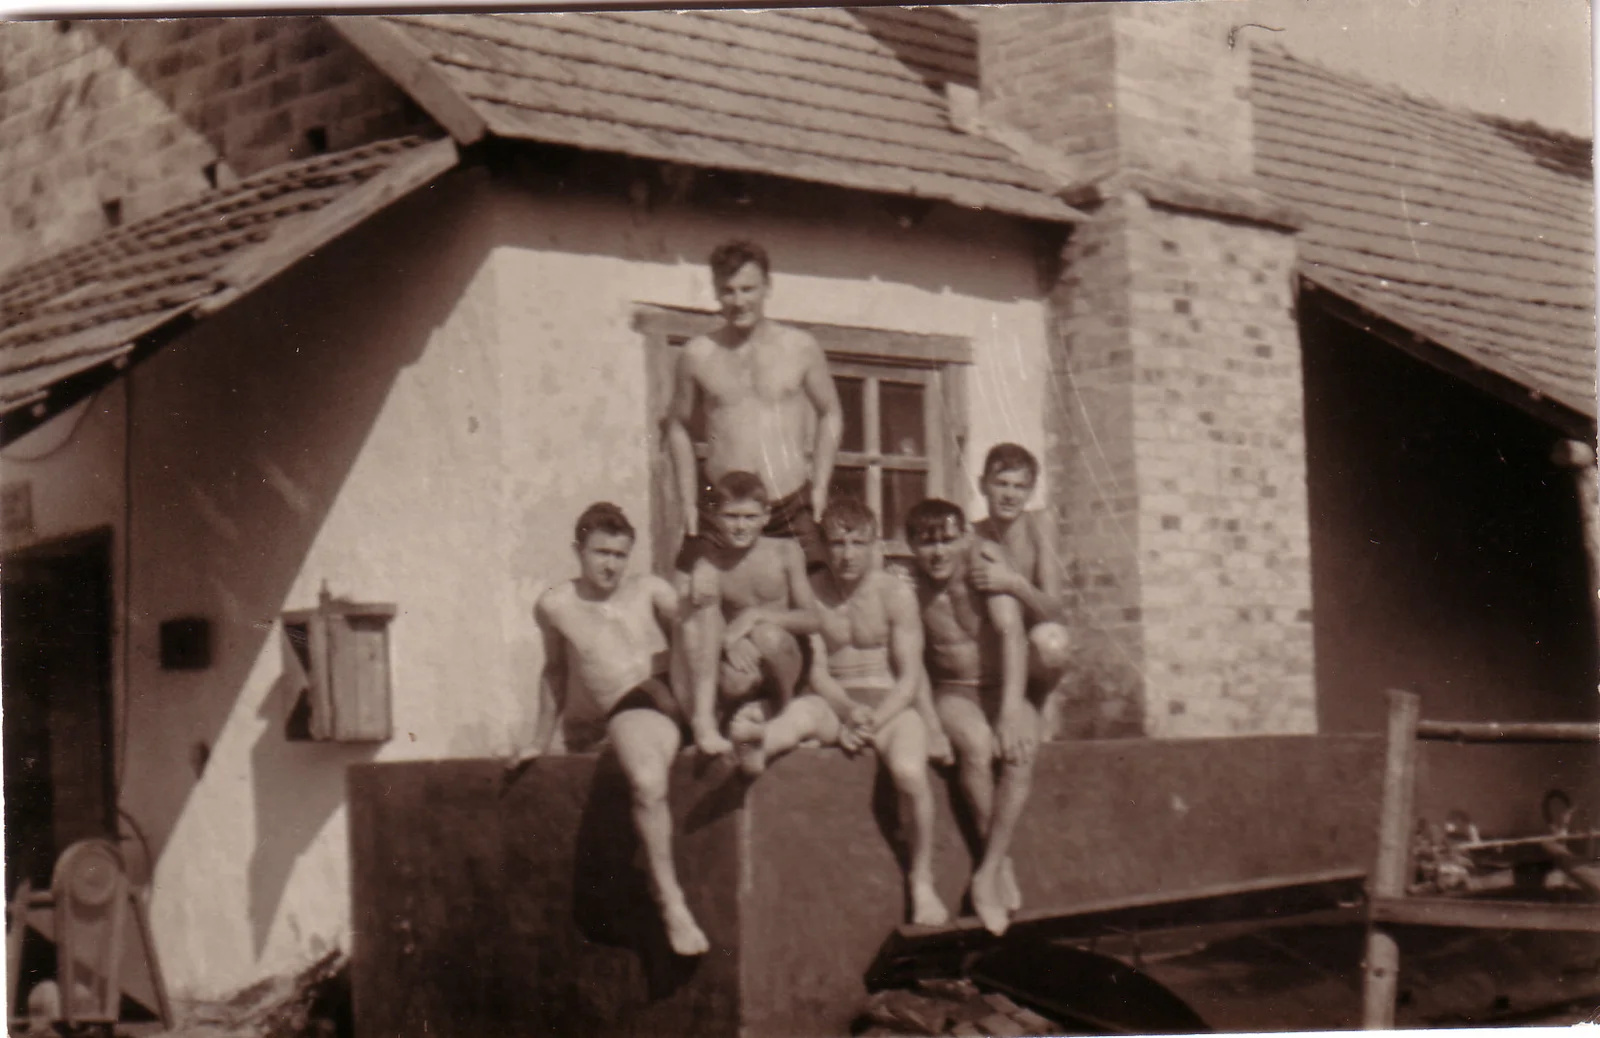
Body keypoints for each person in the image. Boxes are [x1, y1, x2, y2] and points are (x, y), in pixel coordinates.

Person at [727, 498, 950, 926]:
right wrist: (848, 712)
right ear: (825, 547)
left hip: (889, 706)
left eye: (857, 543)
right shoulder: (813, 592)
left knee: (909, 772)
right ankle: (758, 746)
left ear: (874, 544)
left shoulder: (894, 593)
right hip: (836, 701)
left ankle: (922, 881)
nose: (847, 555)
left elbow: (909, 677)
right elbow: (819, 671)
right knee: (800, 717)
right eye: (837, 544)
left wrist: (873, 721)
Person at [511, 502, 709, 957]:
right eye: (601, 552)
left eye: (620, 555)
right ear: (577, 550)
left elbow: (692, 627)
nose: (611, 565)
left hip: (666, 705)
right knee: (647, 781)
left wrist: (697, 595)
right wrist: (539, 740)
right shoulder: (556, 605)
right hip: (621, 721)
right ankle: (671, 902)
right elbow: (555, 672)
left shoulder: (648, 589)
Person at [665, 239, 843, 568]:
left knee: (818, 589)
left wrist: (820, 487)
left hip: (790, 503)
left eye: (748, 289)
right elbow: (677, 426)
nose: (739, 301)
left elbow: (830, 412)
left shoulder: (800, 347)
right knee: (694, 587)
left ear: (767, 287)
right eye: (728, 291)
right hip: (722, 506)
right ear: (716, 291)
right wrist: (687, 503)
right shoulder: (697, 354)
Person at [905, 498, 1037, 936]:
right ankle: (1000, 863)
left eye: (947, 540)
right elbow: (911, 662)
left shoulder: (985, 563)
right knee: (977, 746)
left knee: (1020, 753)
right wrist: (930, 724)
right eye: (927, 543)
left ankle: (988, 870)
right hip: (954, 690)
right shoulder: (909, 585)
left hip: (1002, 687)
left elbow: (1011, 633)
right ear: (911, 545)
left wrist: (1011, 711)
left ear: (964, 537)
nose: (938, 552)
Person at [677, 471, 821, 757]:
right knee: (734, 680)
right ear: (715, 516)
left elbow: (813, 619)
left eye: (750, 517)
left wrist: (755, 616)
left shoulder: (785, 551)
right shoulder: (712, 563)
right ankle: (728, 723)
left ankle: (783, 710)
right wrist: (727, 640)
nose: (741, 526)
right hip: (743, 659)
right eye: (731, 516)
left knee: (767, 635)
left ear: (766, 516)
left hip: (785, 658)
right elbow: (705, 623)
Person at [970, 444, 1072, 705]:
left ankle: (1039, 707)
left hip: (1031, 646)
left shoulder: (1038, 526)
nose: (1010, 495)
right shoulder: (973, 533)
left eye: (1019, 487)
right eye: (1001, 484)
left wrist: (1014, 583)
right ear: (983, 485)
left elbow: (1055, 613)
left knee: (1053, 642)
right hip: (990, 645)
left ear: (1031, 491)